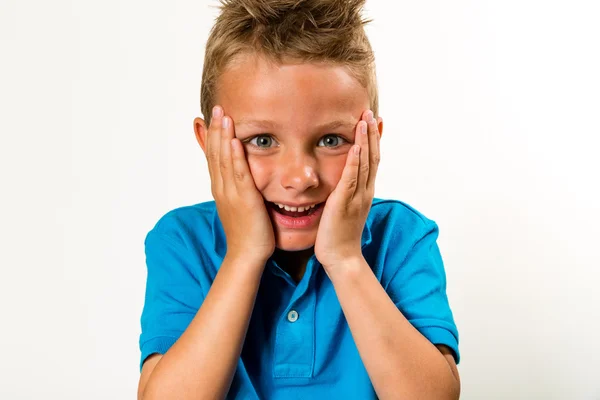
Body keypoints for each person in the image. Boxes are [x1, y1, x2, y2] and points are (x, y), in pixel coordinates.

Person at [137, 0, 460, 398]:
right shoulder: (183, 241)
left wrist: (345, 258)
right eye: (263, 140)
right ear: (210, 144)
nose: (300, 177)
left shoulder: (402, 238)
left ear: (372, 139)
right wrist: (243, 255)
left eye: (330, 140)